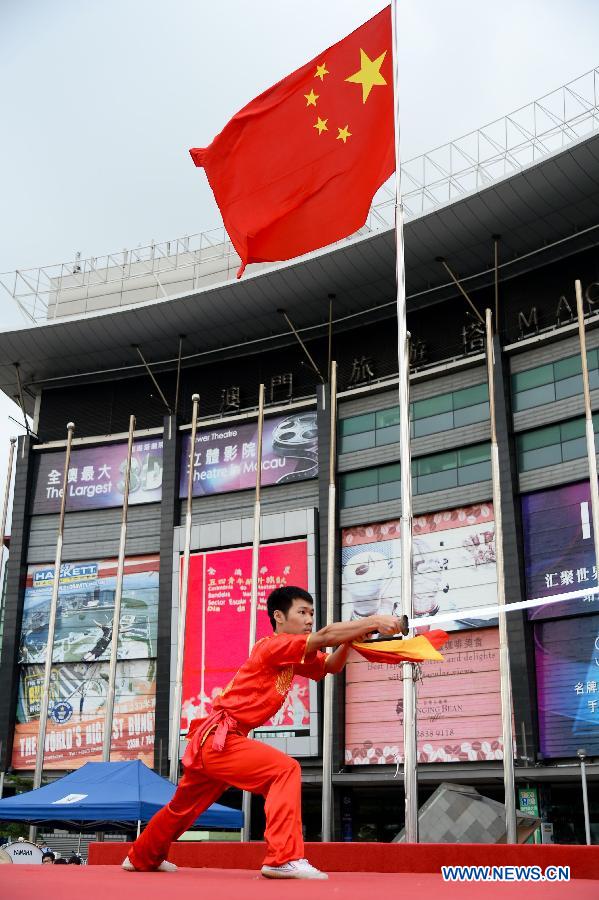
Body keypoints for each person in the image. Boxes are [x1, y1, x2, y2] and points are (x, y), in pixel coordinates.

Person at [123, 585, 401, 880]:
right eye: (302, 612)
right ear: (279, 617)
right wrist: (372, 621)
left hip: (214, 740)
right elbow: (325, 636)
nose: (309, 619)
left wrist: (351, 642)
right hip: (221, 737)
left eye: (311, 613)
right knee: (284, 770)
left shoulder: (291, 656)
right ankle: (283, 858)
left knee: (182, 808)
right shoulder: (273, 646)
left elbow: (330, 665)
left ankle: (142, 856)